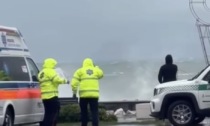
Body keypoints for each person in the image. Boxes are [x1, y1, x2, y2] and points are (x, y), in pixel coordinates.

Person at [71, 58, 103, 126]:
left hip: (83, 96)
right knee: (94, 113)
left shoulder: (79, 71)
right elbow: (101, 74)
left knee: (84, 113)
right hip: (94, 96)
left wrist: (74, 93)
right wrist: (96, 67)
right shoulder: (96, 70)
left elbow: (74, 83)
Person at [38, 58, 69, 126]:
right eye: (54, 65)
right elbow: (56, 80)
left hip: (44, 97)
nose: (54, 66)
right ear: (51, 64)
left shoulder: (41, 72)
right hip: (52, 96)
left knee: (47, 114)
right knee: (54, 114)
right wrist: (65, 81)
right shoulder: (51, 71)